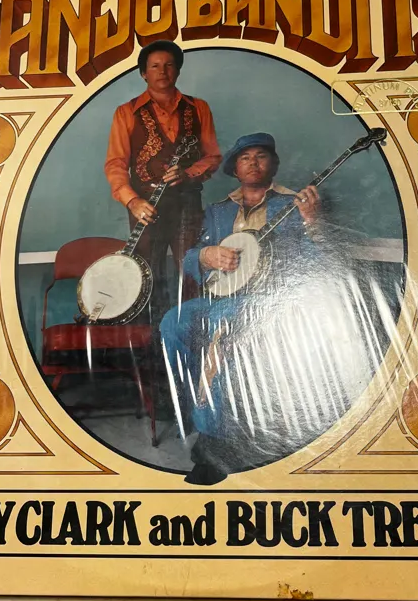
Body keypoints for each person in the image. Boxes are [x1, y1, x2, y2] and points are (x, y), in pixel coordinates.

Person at [159, 133, 325, 484]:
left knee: (222, 327)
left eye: (261, 156)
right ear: (234, 169)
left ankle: (214, 444)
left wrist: (312, 222)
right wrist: (207, 255)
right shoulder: (218, 211)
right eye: (244, 157)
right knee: (173, 322)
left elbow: (318, 264)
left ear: (273, 164)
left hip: (269, 300)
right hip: (222, 295)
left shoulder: (293, 204)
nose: (253, 162)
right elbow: (190, 260)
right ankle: (192, 405)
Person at [104, 40, 221, 312]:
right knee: (145, 273)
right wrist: (132, 201)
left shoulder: (199, 107)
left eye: (169, 65)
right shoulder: (126, 112)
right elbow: (115, 164)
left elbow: (213, 156)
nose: (163, 71)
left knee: (192, 269)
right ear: (143, 73)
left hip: (188, 204)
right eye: (155, 66)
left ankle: (193, 330)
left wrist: (188, 173)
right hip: (145, 206)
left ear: (178, 70)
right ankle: (152, 335)